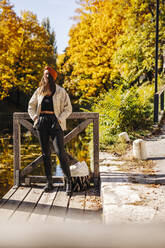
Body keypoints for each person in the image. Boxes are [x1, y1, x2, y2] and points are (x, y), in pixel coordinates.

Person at [28, 66, 72, 195]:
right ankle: (49, 182)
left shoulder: (61, 91)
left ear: (52, 77)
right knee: (45, 154)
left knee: (60, 152)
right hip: (42, 122)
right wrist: (35, 118)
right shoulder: (39, 91)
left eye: (48, 74)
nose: (45, 76)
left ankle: (68, 181)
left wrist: (60, 119)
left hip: (55, 122)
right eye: (44, 74)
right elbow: (31, 106)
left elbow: (68, 108)